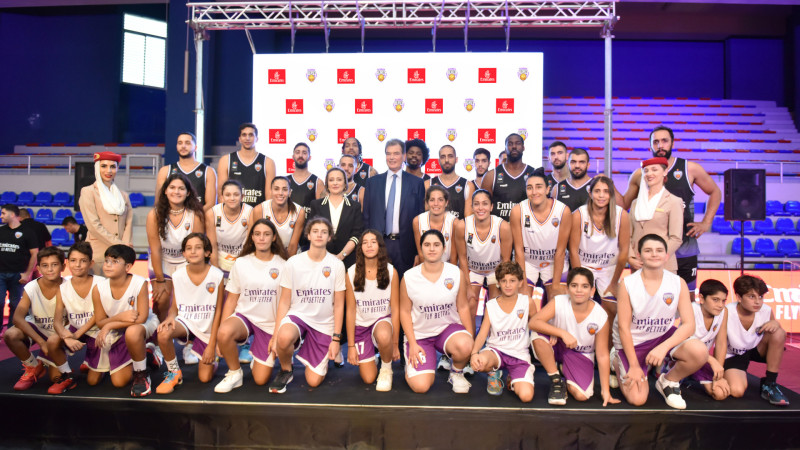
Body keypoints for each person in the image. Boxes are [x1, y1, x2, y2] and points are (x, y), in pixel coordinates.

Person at [623, 125, 722, 297]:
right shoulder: (641, 174)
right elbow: (624, 204)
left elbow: (715, 192)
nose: (660, 145)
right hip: (650, 252)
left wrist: (706, 222)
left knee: (686, 298)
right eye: (656, 142)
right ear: (650, 145)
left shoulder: (689, 168)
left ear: (672, 143)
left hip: (684, 246)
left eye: (664, 141)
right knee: (646, 298)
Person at [611, 234, 707, 410]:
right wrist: (634, 366)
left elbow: (689, 325)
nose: (654, 254)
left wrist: (663, 348)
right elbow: (623, 328)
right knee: (637, 399)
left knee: (699, 351)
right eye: (648, 250)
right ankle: (617, 361)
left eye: (659, 250)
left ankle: (668, 381)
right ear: (639, 255)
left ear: (666, 255)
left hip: (662, 337)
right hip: (633, 342)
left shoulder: (678, 282)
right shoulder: (627, 284)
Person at [269, 218, 346, 393]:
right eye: (315, 231)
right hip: (299, 315)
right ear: (308, 235)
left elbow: (339, 305)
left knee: (313, 381)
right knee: (283, 337)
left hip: (323, 323)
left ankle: (316, 353)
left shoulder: (337, 265)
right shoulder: (293, 262)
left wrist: (336, 339)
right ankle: (286, 370)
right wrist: (275, 335)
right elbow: (284, 301)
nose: (319, 235)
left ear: (329, 237)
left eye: (324, 232)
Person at [215, 219, 288, 392]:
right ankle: (235, 373)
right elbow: (231, 299)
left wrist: (276, 335)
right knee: (225, 332)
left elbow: (285, 304)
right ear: (252, 237)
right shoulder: (241, 263)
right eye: (257, 234)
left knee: (260, 380)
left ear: (274, 238)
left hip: (269, 324)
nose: (261, 238)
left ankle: (257, 356)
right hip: (245, 317)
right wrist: (220, 337)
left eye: (266, 234)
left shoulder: (284, 265)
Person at [530, 268, 618, 407]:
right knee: (538, 337)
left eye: (585, 286)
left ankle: (564, 370)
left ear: (592, 291)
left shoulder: (600, 316)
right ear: (568, 288)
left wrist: (605, 391)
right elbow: (533, 322)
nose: (579, 290)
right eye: (574, 285)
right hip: (557, 344)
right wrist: (561, 332)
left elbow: (602, 355)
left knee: (581, 396)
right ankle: (556, 380)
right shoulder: (559, 301)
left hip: (580, 353)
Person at [46, 242, 127, 394]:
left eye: (83, 261)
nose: (77, 265)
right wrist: (66, 337)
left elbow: (99, 315)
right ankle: (67, 376)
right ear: (68, 262)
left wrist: (77, 335)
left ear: (91, 263)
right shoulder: (63, 288)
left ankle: (102, 362)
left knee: (94, 381)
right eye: (73, 260)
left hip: (98, 331)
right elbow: (57, 321)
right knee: (52, 341)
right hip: (76, 329)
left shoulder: (101, 283)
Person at [401, 230, 473, 394]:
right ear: (421, 248)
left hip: (447, 330)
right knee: (421, 386)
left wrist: (471, 341)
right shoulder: (409, 277)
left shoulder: (455, 273)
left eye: (436, 245)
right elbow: (404, 312)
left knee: (465, 344)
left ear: (444, 248)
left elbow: (463, 306)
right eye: (427, 245)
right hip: (420, 335)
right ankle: (412, 366)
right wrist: (412, 343)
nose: (432, 249)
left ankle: (456, 372)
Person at [155, 233, 225, 394]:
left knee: (205, 378)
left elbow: (219, 312)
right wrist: (170, 317)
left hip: (207, 327)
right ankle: (174, 372)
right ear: (184, 254)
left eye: (198, 248)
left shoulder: (217, 275)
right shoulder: (178, 275)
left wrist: (212, 345)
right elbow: (174, 307)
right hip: (186, 322)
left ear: (207, 252)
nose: (193, 251)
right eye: (189, 248)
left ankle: (212, 359)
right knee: (163, 332)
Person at [92, 244, 160, 397]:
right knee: (119, 382)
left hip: (142, 325)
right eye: (107, 260)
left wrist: (110, 324)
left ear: (128, 267)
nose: (108, 265)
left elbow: (141, 318)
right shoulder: (98, 288)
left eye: (115, 261)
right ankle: (147, 355)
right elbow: (100, 322)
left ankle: (141, 374)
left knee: (132, 332)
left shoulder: (139, 283)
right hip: (118, 329)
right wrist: (117, 320)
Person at [469, 261, 535, 402]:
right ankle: (494, 373)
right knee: (481, 362)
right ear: (498, 283)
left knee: (526, 396)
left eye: (512, 281)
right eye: (504, 281)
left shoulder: (527, 302)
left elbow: (537, 324)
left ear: (520, 282)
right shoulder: (491, 305)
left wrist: (550, 335)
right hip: (496, 351)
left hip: (519, 355)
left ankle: (514, 377)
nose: (508, 285)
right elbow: (483, 333)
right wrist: (474, 353)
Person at [3, 246, 66, 391]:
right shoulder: (32, 287)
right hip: (38, 329)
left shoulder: (69, 286)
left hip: (58, 333)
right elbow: (17, 318)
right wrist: (41, 342)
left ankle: (77, 362)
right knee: (11, 334)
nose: (50, 269)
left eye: (54, 265)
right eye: (45, 265)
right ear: (38, 268)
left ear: (63, 266)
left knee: (55, 378)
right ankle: (33, 366)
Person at [345, 230, 400, 391]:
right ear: (360, 247)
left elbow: (396, 309)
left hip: (382, 321)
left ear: (380, 246)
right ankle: (374, 355)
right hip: (361, 326)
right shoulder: (351, 272)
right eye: (365, 242)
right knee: (368, 379)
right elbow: (350, 311)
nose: (369, 245)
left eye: (373, 242)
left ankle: (386, 369)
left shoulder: (391, 271)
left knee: (383, 335)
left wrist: (395, 343)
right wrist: (350, 346)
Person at [362, 139, 426, 277]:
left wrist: (418, 252)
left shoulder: (417, 183)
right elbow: (366, 217)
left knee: (404, 286)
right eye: (388, 153)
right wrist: (367, 245)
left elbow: (420, 219)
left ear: (404, 156)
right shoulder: (372, 182)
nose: (391, 157)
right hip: (378, 245)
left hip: (406, 248)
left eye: (396, 153)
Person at [146, 173, 205, 320]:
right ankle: (157, 332)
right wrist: (160, 280)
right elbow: (155, 249)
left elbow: (197, 250)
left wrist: (192, 275)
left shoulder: (195, 215)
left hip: (186, 262)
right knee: (162, 299)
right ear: (165, 191)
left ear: (188, 192)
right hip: (162, 262)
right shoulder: (154, 215)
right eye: (172, 187)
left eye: (181, 188)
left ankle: (184, 330)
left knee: (184, 300)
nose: (176, 192)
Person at [723, 274, 789, 406]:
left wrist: (776, 324)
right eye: (751, 296)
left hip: (756, 348)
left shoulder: (766, 310)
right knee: (737, 391)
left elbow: (778, 337)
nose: (758, 302)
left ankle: (769, 384)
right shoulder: (726, 312)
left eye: (761, 297)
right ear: (739, 297)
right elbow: (720, 343)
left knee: (778, 332)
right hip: (734, 354)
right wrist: (717, 372)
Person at [569, 176, 630, 316]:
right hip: (584, 266)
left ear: (611, 194)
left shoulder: (621, 215)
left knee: (612, 310)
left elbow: (624, 252)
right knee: (581, 308)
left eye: (606, 191)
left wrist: (614, 283)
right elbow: (573, 250)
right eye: (597, 191)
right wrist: (579, 278)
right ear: (590, 193)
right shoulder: (579, 215)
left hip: (608, 268)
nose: (601, 195)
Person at [510, 170, 571, 300]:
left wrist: (555, 285)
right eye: (529, 188)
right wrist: (523, 282)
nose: (534, 192)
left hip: (553, 262)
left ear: (547, 189)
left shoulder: (563, 211)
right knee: (523, 298)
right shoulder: (517, 211)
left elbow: (560, 251)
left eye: (539, 187)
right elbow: (519, 250)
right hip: (528, 262)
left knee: (557, 298)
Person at [455, 190, 512, 322]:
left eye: (485, 204)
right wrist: (468, 287)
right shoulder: (462, 225)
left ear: (491, 207)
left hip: (496, 271)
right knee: (470, 302)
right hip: (473, 270)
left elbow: (506, 260)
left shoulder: (502, 226)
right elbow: (462, 258)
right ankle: (470, 334)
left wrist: (503, 283)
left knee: (495, 305)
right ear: (472, 207)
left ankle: (490, 334)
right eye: (476, 204)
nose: (480, 208)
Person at [79, 151, 133, 275]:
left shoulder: (123, 195)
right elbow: (93, 226)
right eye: (103, 166)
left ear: (117, 169)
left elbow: (128, 223)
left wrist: (125, 248)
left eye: (113, 166)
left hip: (120, 255)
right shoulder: (88, 192)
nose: (108, 170)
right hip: (98, 254)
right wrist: (120, 244)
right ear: (97, 168)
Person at [628, 157, 683, 274]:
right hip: (638, 264)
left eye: (654, 170)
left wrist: (656, 257)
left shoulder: (673, 201)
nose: (649, 174)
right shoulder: (635, 203)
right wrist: (631, 258)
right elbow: (628, 235)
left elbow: (676, 238)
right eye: (646, 171)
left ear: (665, 172)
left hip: (663, 265)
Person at [308, 168, 364, 268]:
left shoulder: (355, 206)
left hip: (348, 260)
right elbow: (312, 233)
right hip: (321, 259)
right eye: (331, 180)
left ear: (345, 183)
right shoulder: (316, 205)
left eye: (339, 179)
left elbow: (356, 235)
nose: (335, 183)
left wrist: (341, 255)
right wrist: (327, 256)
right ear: (327, 184)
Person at [688, 279, 730, 401]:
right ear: (701, 298)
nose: (720, 305)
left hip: (702, 359)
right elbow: (685, 342)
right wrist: (712, 361)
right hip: (685, 355)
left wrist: (719, 375)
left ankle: (691, 375)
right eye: (715, 300)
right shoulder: (692, 309)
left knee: (720, 394)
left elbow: (721, 343)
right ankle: (670, 369)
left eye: (723, 300)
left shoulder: (723, 312)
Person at [216, 123, 275, 207]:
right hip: (234, 212)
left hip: (258, 212)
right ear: (239, 139)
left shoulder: (268, 162)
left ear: (256, 139)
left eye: (251, 135)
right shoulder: (226, 160)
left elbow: (269, 196)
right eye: (244, 135)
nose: (247, 138)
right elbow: (221, 193)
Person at [480, 134, 537, 221]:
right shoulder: (491, 175)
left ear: (523, 147)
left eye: (518, 143)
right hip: (498, 228)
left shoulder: (533, 174)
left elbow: (540, 207)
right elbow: (483, 209)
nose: (514, 146)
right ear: (505, 148)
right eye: (510, 144)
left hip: (526, 227)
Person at [0, 204, 39, 331]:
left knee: (16, 304)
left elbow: (35, 254)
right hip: (1, 273)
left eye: (3, 213)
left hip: (18, 274)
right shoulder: (1, 231)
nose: (1, 216)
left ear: (12, 214)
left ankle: (12, 330)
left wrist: (28, 273)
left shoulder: (28, 232)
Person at [156, 132, 217, 210]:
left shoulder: (208, 171)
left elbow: (210, 204)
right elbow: (159, 202)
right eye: (180, 143)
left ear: (195, 147)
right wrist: (175, 216)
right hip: (172, 216)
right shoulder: (165, 171)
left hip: (198, 216)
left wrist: (192, 216)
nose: (183, 146)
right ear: (176, 146)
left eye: (187, 143)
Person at [207, 180, 254, 275]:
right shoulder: (212, 213)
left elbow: (250, 245)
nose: (232, 198)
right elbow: (212, 246)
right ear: (221, 197)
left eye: (236, 195)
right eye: (228, 195)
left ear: (242, 197)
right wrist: (216, 270)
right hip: (219, 259)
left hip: (243, 258)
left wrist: (241, 267)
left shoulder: (250, 212)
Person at [252, 177, 305, 256]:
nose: (280, 193)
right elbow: (258, 242)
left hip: (291, 256)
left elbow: (293, 245)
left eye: (285, 189)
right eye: (276, 189)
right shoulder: (259, 210)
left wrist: (286, 263)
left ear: (290, 192)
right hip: (267, 255)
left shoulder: (299, 212)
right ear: (271, 191)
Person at [413, 186, 458, 265]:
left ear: (446, 202)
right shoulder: (417, 221)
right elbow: (421, 254)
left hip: (447, 266)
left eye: (440, 200)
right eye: (432, 200)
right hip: (426, 266)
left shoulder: (454, 222)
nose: (436, 204)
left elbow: (453, 257)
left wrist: (449, 272)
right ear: (427, 202)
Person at [426, 145, 473, 219]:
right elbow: (426, 216)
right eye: (443, 157)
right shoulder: (428, 184)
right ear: (438, 161)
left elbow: (468, 218)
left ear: (456, 159)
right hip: (434, 226)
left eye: (450, 156)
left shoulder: (467, 185)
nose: (446, 160)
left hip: (458, 226)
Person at [288, 142, 325, 217]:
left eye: (304, 153)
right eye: (297, 152)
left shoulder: (318, 182)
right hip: (289, 223)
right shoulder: (286, 181)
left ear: (309, 157)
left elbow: (321, 211)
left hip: (309, 224)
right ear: (293, 156)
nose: (300, 155)